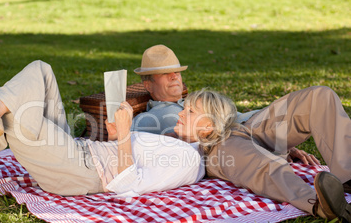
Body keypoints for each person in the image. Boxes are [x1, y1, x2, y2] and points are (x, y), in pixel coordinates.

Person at [0, 60, 209, 198]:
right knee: (40, 72)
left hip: (79, 169)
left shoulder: (187, 158)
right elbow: (129, 156)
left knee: (9, 106)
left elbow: (127, 185)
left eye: (191, 111)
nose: (182, 111)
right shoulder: (178, 142)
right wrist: (116, 136)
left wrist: (125, 135)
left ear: (209, 128)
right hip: (78, 151)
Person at [176, 88, 350, 223]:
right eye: (186, 110)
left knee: (319, 97)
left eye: (189, 111)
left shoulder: (183, 107)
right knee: (267, 166)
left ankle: (348, 174)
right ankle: (323, 206)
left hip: (242, 123)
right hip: (217, 142)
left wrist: (285, 147)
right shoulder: (157, 121)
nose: (180, 114)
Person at [131, 44, 319, 166]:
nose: (174, 76)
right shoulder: (148, 120)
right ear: (148, 84)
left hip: (254, 123)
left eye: (177, 72)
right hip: (241, 137)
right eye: (165, 73)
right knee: (313, 106)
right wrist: (276, 145)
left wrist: (284, 145)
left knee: (313, 104)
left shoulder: (195, 102)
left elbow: (233, 117)